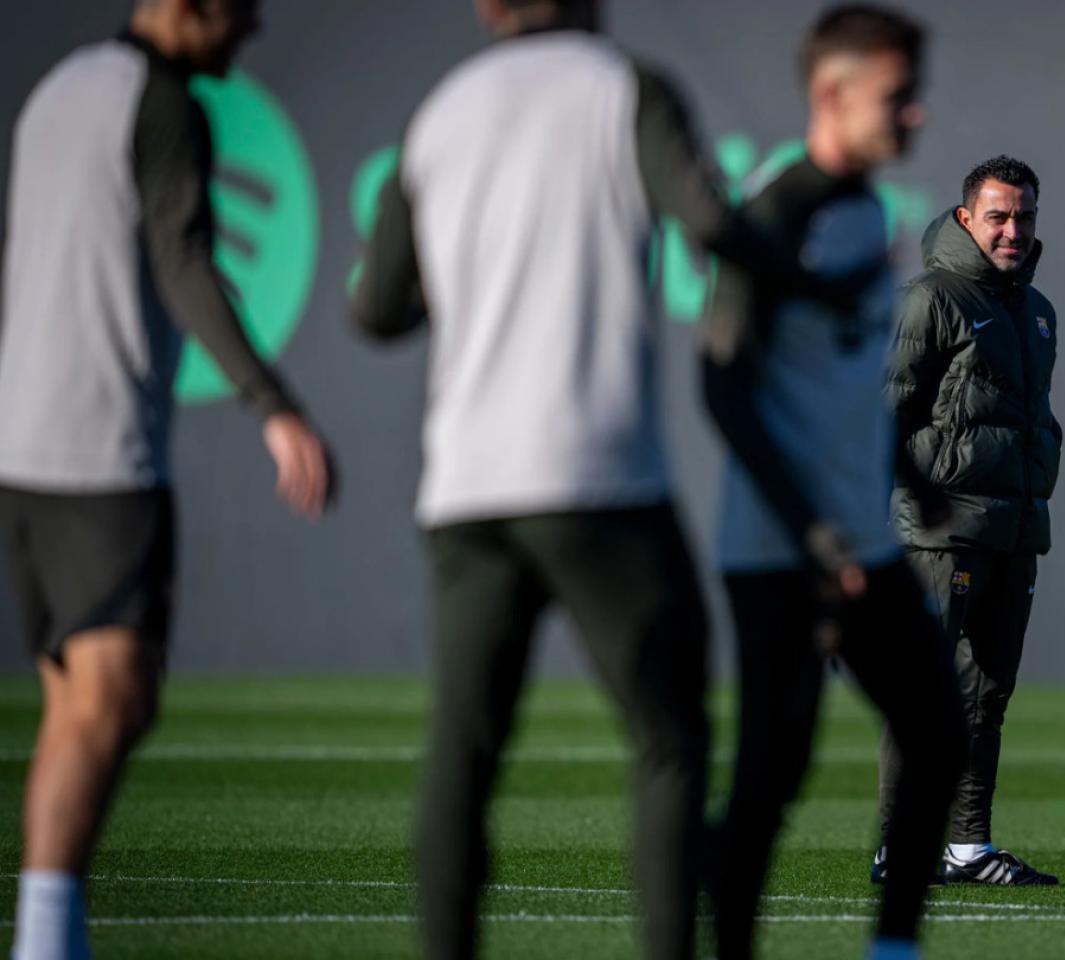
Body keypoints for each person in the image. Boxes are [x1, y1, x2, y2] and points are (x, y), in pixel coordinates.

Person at [350, 1, 867, 957]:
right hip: (597, 482)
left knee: (463, 755)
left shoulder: (442, 109)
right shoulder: (624, 87)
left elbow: (377, 309)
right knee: (669, 741)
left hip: (465, 489)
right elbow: (709, 222)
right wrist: (813, 283)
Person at [0, 1, 333, 957]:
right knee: (111, 704)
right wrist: (271, 403)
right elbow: (184, 259)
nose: (252, 28)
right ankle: (45, 940)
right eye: (238, 9)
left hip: (25, 454)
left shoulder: (58, 90)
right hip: (96, 453)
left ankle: (50, 932)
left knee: (80, 707)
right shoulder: (160, 103)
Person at [698, 8, 966, 959]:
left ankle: (893, 948)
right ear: (831, 95)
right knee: (775, 771)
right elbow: (720, 385)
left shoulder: (869, 212)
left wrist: (907, 477)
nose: (915, 114)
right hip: (781, 550)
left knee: (936, 728)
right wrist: (809, 531)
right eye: (898, 95)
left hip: (868, 540)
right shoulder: (776, 214)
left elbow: (848, 383)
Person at [879, 154, 1063, 886]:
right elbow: (882, 415)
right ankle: (899, 846)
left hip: (1013, 533)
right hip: (939, 534)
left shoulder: (1037, 310)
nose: (1013, 230)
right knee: (923, 693)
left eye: (1023, 216)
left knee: (987, 694)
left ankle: (966, 847)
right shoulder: (931, 298)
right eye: (998, 216)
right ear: (965, 218)